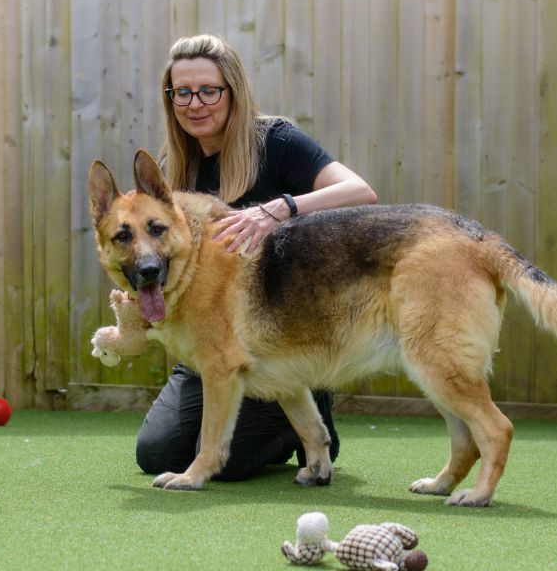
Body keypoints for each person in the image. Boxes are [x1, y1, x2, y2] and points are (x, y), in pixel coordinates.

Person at [135, 34, 377, 481]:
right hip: (212, 341)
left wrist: (278, 208)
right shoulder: (176, 164)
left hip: (280, 340)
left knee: (224, 463)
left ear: (233, 90)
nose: (195, 103)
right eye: (181, 92)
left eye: (209, 90)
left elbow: (360, 192)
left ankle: (300, 424)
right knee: (156, 453)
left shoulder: (276, 140)